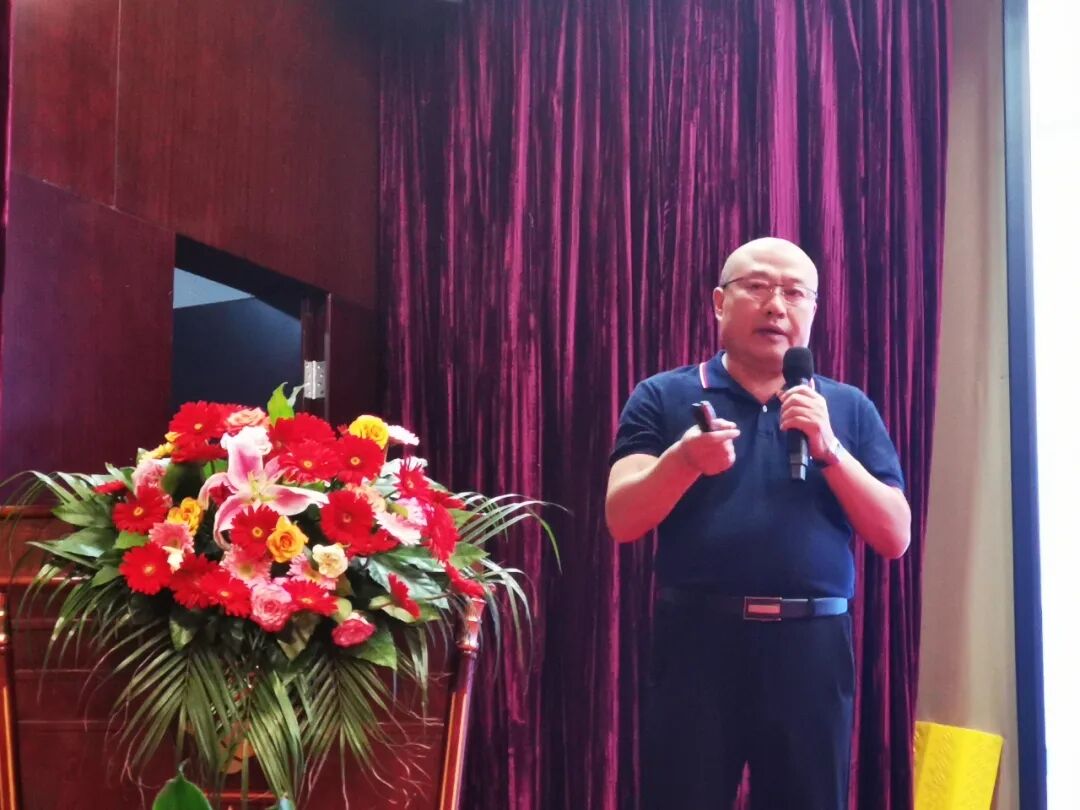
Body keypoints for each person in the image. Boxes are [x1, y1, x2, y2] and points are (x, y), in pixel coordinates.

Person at [606, 237, 910, 810]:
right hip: (698, 642)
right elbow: (622, 519)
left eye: (794, 293)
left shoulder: (847, 408)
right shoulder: (665, 395)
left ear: (813, 310)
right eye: (758, 287)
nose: (776, 305)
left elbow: (895, 537)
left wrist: (830, 449)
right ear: (720, 303)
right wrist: (683, 461)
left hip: (811, 647)